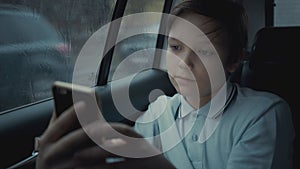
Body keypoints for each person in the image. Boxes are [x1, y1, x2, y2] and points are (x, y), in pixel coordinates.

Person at [36, 0, 295, 169]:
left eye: (204, 52)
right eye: (176, 47)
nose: (184, 63)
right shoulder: (155, 115)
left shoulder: (264, 114)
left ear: (234, 60)